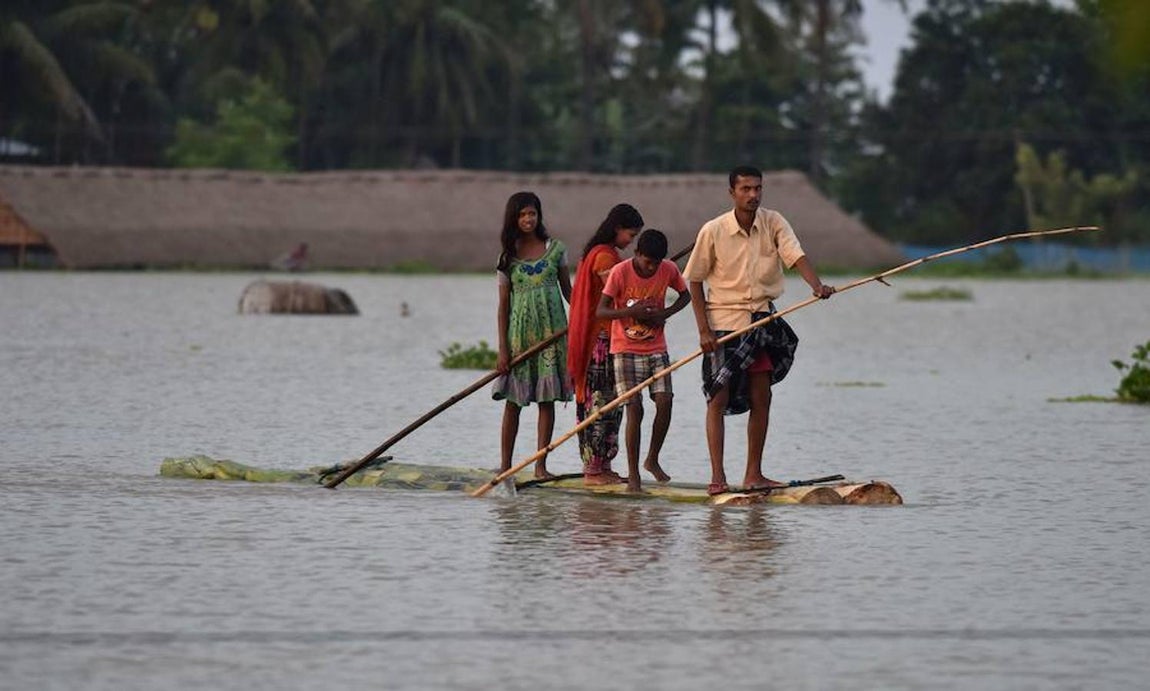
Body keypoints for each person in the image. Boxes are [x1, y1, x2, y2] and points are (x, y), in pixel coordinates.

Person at [683, 165, 835, 496]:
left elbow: (796, 256)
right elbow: (694, 280)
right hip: (723, 322)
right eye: (746, 189)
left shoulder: (774, 222)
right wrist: (703, 331)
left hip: (761, 321)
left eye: (757, 189)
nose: (753, 195)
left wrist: (817, 286)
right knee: (717, 398)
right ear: (732, 193)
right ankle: (718, 478)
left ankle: (754, 474)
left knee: (762, 396)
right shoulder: (714, 230)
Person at [596, 228, 691, 493]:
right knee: (634, 409)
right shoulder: (620, 272)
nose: (652, 268)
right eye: (647, 262)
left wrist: (665, 313)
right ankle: (634, 473)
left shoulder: (668, 269)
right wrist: (631, 311)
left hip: (656, 347)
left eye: (656, 263)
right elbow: (600, 310)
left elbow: (686, 295)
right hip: (624, 348)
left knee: (665, 400)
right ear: (637, 254)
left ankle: (652, 458)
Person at [491, 191, 573, 479]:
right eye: (523, 214)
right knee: (514, 402)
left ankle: (540, 466)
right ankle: (505, 465)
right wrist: (503, 350)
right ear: (514, 218)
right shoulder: (507, 258)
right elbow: (503, 307)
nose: (528, 219)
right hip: (520, 338)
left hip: (552, 335)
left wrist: (589, 312)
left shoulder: (556, 250)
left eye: (533, 213)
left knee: (546, 401)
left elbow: (568, 292)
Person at [567, 203, 644, 486]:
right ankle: (594, 470)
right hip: (600, 344)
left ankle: (604, 466)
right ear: (617, 229)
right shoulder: (603, 257)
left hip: (609, 340)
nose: (631, 242)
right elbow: (617, 296)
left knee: (612, 404)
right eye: (630, 235)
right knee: (600, 404)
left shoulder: (604, 253)